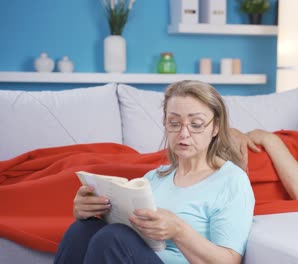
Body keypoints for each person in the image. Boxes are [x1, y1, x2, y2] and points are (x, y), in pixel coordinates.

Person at [54, 80, 255, 264]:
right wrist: (88, 209)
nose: (184, 133)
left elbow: (230, 261)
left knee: (114, 237)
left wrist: (179, 230)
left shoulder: (232, 180)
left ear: (216, 127)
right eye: (174, 123)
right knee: (83, 228)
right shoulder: (154, 178)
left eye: (196, 124)